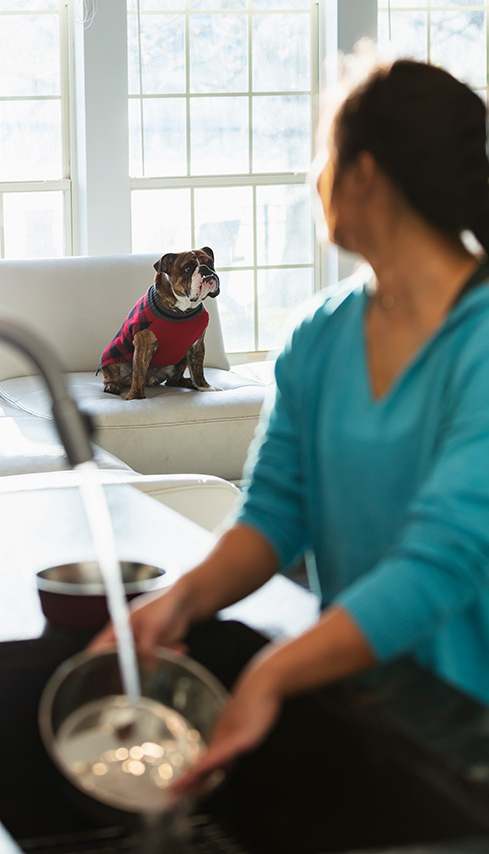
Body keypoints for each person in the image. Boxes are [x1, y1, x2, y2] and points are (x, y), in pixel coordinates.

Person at [91, 56, 489, 797]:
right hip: (364, 700)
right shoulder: (319, 336)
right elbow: (275, 515)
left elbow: (444, 559)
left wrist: (274, 672)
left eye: (324, 153)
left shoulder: (481, 340)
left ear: (364, 172)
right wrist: (172, 604)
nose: (313, 174)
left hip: (470, 731)